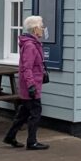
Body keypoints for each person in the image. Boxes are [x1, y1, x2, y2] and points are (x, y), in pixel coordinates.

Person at [3, 16, 49, 150]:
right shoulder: (30, 46)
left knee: (23, 113)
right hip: (31, 86)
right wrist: (31, 86)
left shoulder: (32, 43)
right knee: (35, 113)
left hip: (30, 85)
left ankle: (10, 137)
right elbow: (26, 68)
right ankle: (32, 141)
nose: (43, 29)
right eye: (41, 26)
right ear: (35, 29)